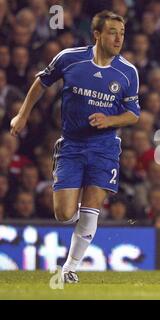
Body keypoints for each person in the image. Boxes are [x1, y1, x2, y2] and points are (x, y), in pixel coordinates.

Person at [9, 11, 140, 283]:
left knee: (92, 205)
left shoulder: (127, 72)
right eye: (113, 32)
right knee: (65, 214)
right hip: (71, 145)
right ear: (98, 34)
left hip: (105, 148)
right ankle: (84, 223)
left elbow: (133, 114)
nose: (118, 38)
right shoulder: (70, 58)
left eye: (122, 33)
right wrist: (22, 114)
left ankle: (70, 268)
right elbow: (41, 82)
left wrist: (110, 120)